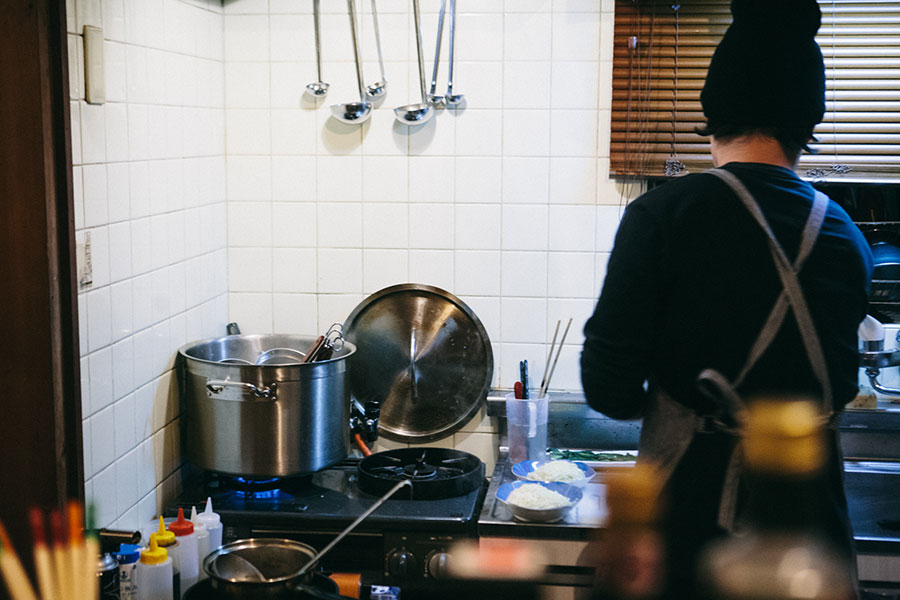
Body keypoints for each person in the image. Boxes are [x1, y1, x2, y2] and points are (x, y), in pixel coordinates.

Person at [580, 0, 873, 597]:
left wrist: (679, 403)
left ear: (715, 113)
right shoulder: (846, 235)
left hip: (688, 524)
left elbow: (607, 387)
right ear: (805, 123)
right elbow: (837, 385)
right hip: (810, 527)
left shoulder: (662, 216)